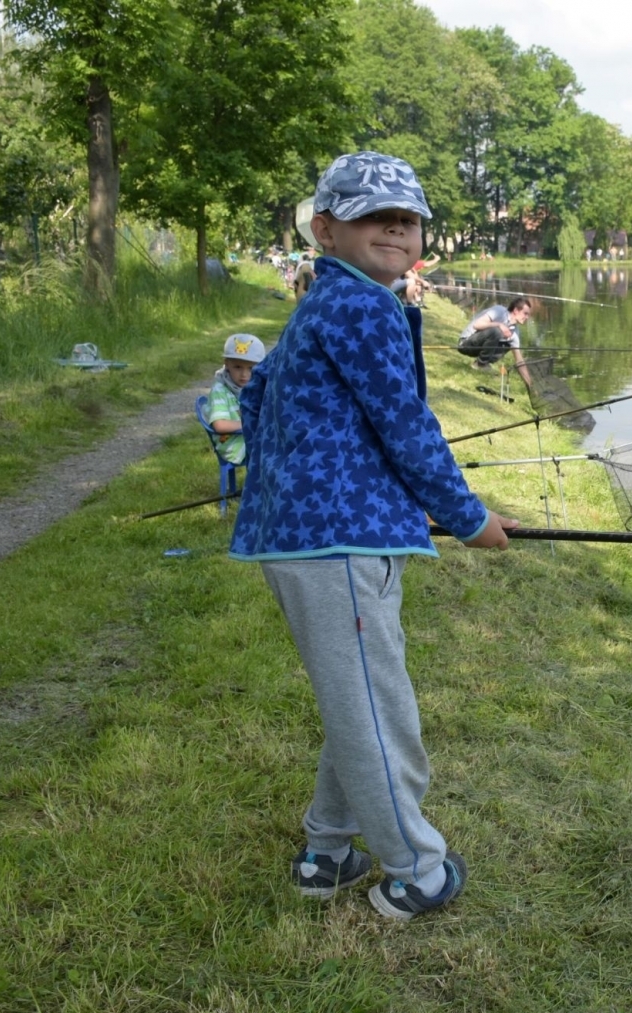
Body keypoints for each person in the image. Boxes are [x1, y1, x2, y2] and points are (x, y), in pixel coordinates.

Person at [231, 150, 518, 920]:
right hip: (337, 549)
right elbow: (408, 429)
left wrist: (367, 497)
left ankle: (328, 853)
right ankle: (413, 872)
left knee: (354, 697)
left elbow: (257, 404)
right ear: (326, 229)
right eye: (372, 215)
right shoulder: (363, 307)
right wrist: (466, 517)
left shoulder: (322, 304)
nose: (395, 227)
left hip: (318, 538)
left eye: (408, 217)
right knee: (378, 709)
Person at [206, 332, 264, 465]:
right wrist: (252, 424)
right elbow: (220, 425)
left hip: (247, 438)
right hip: (234, 444)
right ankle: (262, 484)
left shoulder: (255, 386)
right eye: (238, 367)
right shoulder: (220, 391)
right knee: (274, 453)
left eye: (251, 368)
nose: (244, 374)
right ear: (227, 364)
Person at [456, 296, 533, 383]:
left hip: (477, 348)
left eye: (528, 315)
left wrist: (530, 384)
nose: (527, 317)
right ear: (516, 310)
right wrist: (499, 325)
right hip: (466, 343)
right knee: (497, 331)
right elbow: (477, 325)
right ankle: (481, 364)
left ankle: (481, 363)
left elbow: (519, 360)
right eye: (525, 313)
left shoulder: (515, 332)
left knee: (509, 343)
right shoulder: (499, 311)